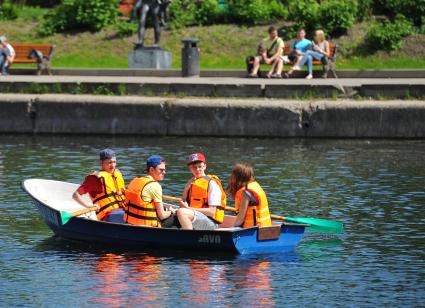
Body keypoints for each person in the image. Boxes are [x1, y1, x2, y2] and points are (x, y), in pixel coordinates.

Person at [176, 152, 227, 230]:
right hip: (195, 215)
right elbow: (182, 204)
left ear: (205, 166)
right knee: (176, 212)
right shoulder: (192, 182)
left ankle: (189, 239)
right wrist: (186, 189)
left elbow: (211, 212)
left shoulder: (212, 183)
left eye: (200, 166)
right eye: (194, 167)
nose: (197, 169)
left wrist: (189, 208)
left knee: (182, 212)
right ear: (190, 168)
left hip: (211, 223)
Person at [72, 149, 126, 221]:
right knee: (129, 216)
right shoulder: (95, 179)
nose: (113, 165)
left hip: (123, 209)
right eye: (109, 162)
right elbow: (75, 195)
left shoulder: (117, 174)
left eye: (114, 162)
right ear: (101, 162)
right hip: (108, 215)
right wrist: (88, 206)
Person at [124, 155, 176, 227]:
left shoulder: (135, 180)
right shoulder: (155, 186)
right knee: (178, 216)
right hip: (147, 227)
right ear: (151, 170)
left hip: (130, 222)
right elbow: (162, 216)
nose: (164, 172)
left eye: (164, 170)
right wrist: (172, 212)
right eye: (161, 170)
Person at [226, 163, 272, 228]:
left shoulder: (246, 193)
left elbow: (240, 219)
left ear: (237, 178)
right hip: (266, 228)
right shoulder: (255, 186)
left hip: (254, 231)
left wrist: (231, 229)